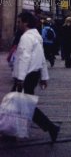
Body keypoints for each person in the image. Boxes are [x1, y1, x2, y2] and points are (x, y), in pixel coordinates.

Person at [12, 11, 60, 142]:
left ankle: (51, 127)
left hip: (26, 75)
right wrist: (44, 76)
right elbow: (42, 58)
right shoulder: (37, 36)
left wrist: (20, 78)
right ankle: (11, 131)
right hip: (33, 74)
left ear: (25, 22)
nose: (18, 24)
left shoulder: (26, 37)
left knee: (26, 105)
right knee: (16, 103)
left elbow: (24, 58)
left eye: (19, 22)